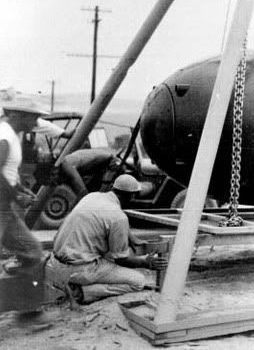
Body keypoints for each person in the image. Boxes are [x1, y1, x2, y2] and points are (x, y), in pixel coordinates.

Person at [46, 174, 168, 304]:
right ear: (132, 196)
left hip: (56, 262)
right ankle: (81, 292)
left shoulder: (92, 196)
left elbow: (105, 220)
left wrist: (130, 236)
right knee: (138, 281)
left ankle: (71, 282)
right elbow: (121, 259)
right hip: (79, 269)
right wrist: (145, 263)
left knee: (107, 256)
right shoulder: (118, 217)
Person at [0, 106, 46, 268]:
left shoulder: (11, 135)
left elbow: (6, 172)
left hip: (5, 208)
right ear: (20, 116)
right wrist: (17, 197)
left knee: (32, 252)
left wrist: (20, 188)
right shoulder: (4, 136)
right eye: (33, 118)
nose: (36, 123)